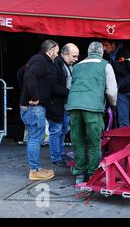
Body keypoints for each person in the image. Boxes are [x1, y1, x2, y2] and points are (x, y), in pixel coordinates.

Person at [66, 42, 117, 184]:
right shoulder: (105, 65)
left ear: (88, 53)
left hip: (74, 105)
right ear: (102, 53)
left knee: (78, 140)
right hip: (93, 108)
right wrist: (113, 104)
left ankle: (79, 174)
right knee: (94, 142)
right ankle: (92, 173)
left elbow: (70, 86)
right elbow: (112, 91)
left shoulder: (76, 66)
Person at [18, 39, 59, 181]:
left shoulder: (36, 59)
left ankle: (36, 168)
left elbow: (20, 74)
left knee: (34, 137)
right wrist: (34, 96)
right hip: (34, 108)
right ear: (51, 50)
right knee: (35, 138)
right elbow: (28, 76)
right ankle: (35, 170)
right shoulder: (41, 62)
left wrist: (25, 94)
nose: (57, 55)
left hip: (30, 107)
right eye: (57, 52)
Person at [101, 40, 130, 127]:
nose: (104, 48)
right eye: (103, 45)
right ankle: (125, 140)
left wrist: (118, 84)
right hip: (120, 91)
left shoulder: (127, 52)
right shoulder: (105, 56)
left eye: (106, 45)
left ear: (114, 44)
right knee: (122, 120)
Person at [47, 43, 79, 168]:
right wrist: (71, 92)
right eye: (74, 56)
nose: (76, 59)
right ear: (64, 54)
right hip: (56, 104)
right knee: (56, 130)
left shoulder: (67, 65)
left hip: (65, 104)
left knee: (63, 130)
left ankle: (60, 154)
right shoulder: (55, 65)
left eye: (77, 56)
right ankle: (56, 157)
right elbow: (53, 86)